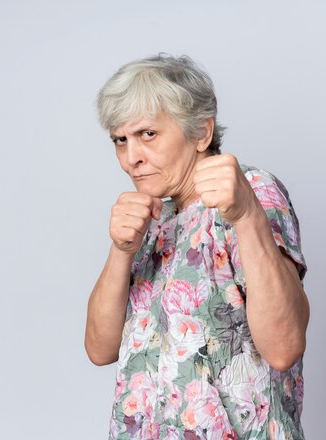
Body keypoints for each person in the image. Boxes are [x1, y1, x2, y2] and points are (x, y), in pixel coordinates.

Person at [85, 54, 310, 440]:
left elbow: (285, 346)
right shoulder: (153, 221)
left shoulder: (250, 192)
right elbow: (99, 349)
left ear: (201, 133)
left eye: (147, 134)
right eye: (120, 140)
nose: (131, 157)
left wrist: (248, 217)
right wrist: (121, 250)